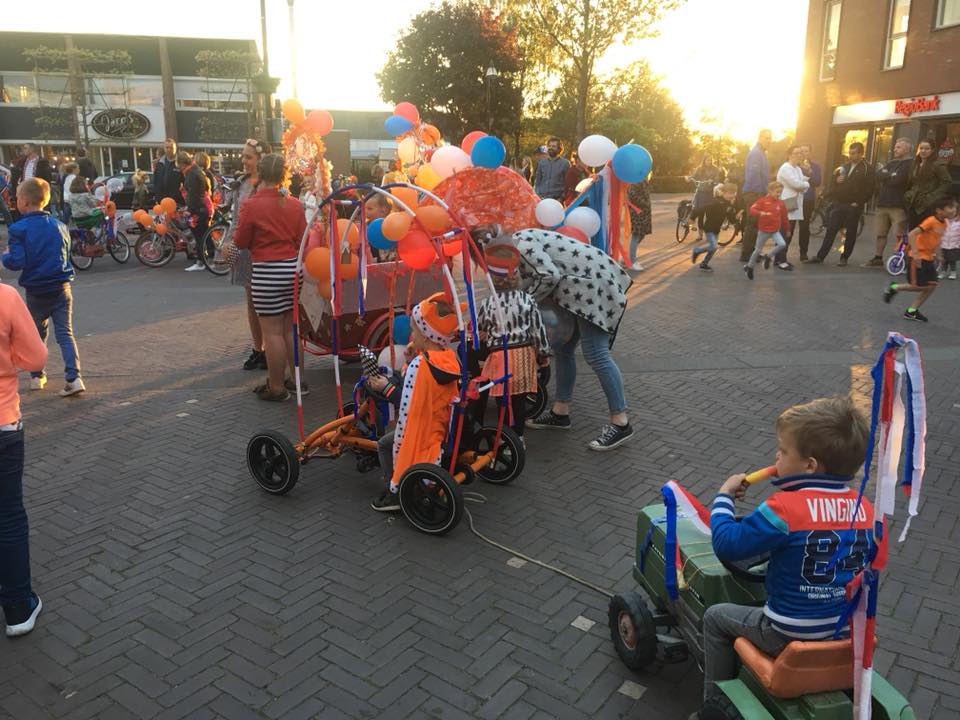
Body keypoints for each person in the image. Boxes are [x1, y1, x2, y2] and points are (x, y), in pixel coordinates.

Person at [694, 395, 873, 713]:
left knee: (715, 617)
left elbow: (727, 543)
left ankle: (713, 701)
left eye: (783, 450)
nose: (776, 455)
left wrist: (723, 498)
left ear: (810, 465)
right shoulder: (865, 509)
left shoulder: (784, 509)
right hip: (842, 629)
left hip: (786, 630)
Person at [496, 227, 633, 451]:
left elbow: (549, 275)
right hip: (582, 284)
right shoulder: (517, 239)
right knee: (565, 350)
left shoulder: (520, 246)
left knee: (596, 353)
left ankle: (621, 422)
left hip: (590, 285)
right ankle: (560, 412)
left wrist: (524, 304)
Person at [366, 292, 464, 512]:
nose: (411, 334)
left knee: (384, 444)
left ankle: (396, 491)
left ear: (427, 336)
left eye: (415, 330)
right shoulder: (448, 357)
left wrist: (386, 387)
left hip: (418, 433)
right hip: (438, 427)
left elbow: (407, 405)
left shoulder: (421, 365)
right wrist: (411, 359)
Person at [1, 179, 85, 397]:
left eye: (17, 198)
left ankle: (37, 375)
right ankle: (74, 377)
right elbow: (66, 255)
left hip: (36, 289)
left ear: (25, 201)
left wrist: (6, 255)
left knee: (36, 334)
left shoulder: (19, 229)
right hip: (61, 286)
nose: (15, 201)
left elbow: (16, 261)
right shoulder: (59, 225)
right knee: (65, 333)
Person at [234, 153, 307, 400]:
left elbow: (241, 241)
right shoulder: (295, 205)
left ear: (261, 174)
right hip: (292, 270)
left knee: (272, 332)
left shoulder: (252, 205)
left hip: (267, 271)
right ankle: (297, 381)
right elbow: (301, 240)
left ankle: (276, 387)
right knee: (289, 329)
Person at [0, 280, 48, 637]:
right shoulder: (5, 296)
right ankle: (18, 607)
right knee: (9, 517)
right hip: (2, 423)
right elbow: (35, 358)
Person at [474, 243, 550, 438]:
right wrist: (543, 356)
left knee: (503, 400)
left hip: (501, 357)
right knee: (518, 400)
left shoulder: (489, 303)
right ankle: (519, 436)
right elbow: (537, 331)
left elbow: (481, 327)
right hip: (524, 355)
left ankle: (506, 437)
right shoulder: (527, 300)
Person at [226, 139, 272, 371]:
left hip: (263, 251)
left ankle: (271, 350)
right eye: (243, 156)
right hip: (244, 250)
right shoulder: (241, 184)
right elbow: (236, 219)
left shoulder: (269, 187)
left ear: (261, 160)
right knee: (251, 301)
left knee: (267, 303)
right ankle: (258, 349)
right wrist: (232, 245)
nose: (244, 161)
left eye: (249, 157)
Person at [882, 195, 957, 322]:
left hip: (929, 258)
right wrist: (916, 254)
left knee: (932, 285)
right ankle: (894, 287)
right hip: (918, 258)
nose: (954, 210)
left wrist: (939, 255)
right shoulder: (930, 221)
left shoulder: (945, 223)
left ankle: (912, 311)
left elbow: (937, 240)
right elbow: (912, 234)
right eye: (950, 207)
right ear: (939, 210)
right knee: (919, 286)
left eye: (955, 208)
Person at [809, 142, 874, 266]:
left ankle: (844, 258)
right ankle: (820, 256)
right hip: (839, 203)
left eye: (854, 153)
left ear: (861, 153)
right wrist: (836, 182)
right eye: (850, 153)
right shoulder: (844, 166)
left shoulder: (867, 168)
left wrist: (859, 202)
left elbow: (870, 189)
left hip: (853, 205)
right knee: (831, 230)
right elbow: (833, 181)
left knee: (850, 232)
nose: (850, 156)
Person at [862, 138, 913, 268]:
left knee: (899, 235)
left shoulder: (910, 164)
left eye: (899, 147)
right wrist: (890, 175)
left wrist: (888, 176)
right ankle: (878, 258)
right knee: (880, 233)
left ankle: (900, 260)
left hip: (898, 205)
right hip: (882, 204)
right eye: (895, 147)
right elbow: (878, 175)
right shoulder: (891, 163)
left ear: (907, 149)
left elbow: (899, 180)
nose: (895, 150)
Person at [903, 139, 953, 230]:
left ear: (932, 150)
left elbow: (947, 182)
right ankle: (910, 245)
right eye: (921, 148)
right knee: (912, 232)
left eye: (927, 148)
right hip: (913, 203)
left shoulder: (937, 164)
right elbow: (911, 182)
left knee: (925, 232)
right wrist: (907, 195)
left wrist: (932, 197)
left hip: (928, 205)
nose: (923, 151)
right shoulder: (915, 164)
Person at [743, 181, 789, 280]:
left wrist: (787, 228)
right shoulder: (762, 201)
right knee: (757, 250)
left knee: (782, 244)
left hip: (775, 231)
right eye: (777, 192)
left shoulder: (780, 203)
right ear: (770, 191)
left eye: (780, 192)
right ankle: (749, 267)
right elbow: (752, 210)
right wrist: (760, 213)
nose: (779, 194)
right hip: (763, 231)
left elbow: (785, 217)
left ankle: (767, 257)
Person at [739, 129, 772, 263]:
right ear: (760, 138)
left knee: (757, 225)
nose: (769, 141)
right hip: (754, 194)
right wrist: (761, 195)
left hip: (759, 193)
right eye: (766, 138)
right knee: (752, 225)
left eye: (770, 138)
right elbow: (753, 177)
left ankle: (752, 252)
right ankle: (746, 254)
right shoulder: (756, 153)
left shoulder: (762, 153)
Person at [774, 146, 809, 270]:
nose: (799, 155)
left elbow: (801, 183)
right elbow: (797, 184)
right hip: (786, 205)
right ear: (789, 155)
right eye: (796, 153)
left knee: (789, 232)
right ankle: (780, 260)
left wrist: (803, 184)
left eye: (800, 153)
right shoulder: (785, 168)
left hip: (793, 206)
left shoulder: (797, 168)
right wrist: (806, 184)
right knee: (784, 233)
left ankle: (780, 258)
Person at [691, 182, 739, 272]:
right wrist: (692, 217)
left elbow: (731, 219)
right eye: (729, 193)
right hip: (709, 228)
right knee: (713, 246)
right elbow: (702, 209)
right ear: (724, 193)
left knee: (713, 249)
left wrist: (735, 217)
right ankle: (697, 250)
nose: (732, 195)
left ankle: (704, 264)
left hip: (716, 230)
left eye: (733, 193)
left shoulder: (729, 205)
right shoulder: (716, 202)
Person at [177, 151, 211, 272]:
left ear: (182, 164)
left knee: (198, 236)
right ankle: (206, 259)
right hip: (202, 208)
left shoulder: (191, 174)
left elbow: (193, 195)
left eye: (179, 165)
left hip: (197, 209)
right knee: (203, 235)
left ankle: (201, 262)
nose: (179, 168)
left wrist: (189, 210)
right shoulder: (197, 171)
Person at [795, 144, 821, 263]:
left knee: (804, 227)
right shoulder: (794, 165)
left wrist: (809, 172)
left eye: (807, 151)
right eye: (802, 151)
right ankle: (781, 252)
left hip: (807, 200)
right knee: (788, 225)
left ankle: (803, 252)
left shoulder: (815, 167)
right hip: (794, 199)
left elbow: (817, 182)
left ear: (810, 153)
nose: (804, 153)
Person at [690, 154, 725, 241]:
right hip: (701, 192)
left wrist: (713, 181)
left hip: (710, 193)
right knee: (700, 214)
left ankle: (709, 235)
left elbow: (717, 179)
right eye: (707, 160)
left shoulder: (715, 169)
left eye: (710, 160)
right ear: (704, 160)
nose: (709, 162)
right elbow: (694, 176)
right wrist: (689, 178)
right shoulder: (699, 168)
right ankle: (700, 234)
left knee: (710, 215)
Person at [626, 179, 652, 272]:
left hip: (644, 212)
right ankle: (632, 261)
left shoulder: (643, 179)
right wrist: (645, 204)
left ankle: (627, 258)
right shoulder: (635, 180)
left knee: (642, 234)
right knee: (636, 235)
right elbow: (633, 195)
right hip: (637, 212)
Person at [533, 138, 570, 202]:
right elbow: (538, 181)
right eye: (549, 146)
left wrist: (561, 198)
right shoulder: (541, 162)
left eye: (554, 146)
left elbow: (567, 184)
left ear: (559, 149)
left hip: (557, 200)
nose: (551, 148)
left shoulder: (565, 163)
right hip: (541, 199)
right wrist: (537, 194)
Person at [153, 138, 182, 204]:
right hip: (162, 200)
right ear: (164, 148)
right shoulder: (159, 163)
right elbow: (156, 181)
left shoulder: (180, 163)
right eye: (167, 147)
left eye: (171, 148)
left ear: (175, 149)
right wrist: (157, 197)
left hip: (177, 201)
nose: (169, 149)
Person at [939, 210, 960, 280]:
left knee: (952, 260)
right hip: (943, 244)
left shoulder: (958, 222)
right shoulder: (944, 221)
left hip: (954, 245)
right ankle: (943, 272)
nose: (951, 214)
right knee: (943, 260)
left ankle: (953, 272)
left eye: (953, 213)